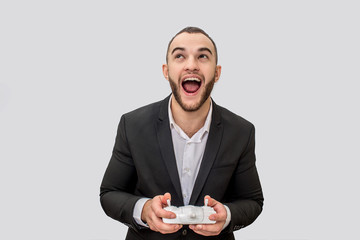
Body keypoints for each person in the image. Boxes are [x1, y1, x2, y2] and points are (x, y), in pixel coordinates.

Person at [100, 26, 264, 240]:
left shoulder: (241, 131)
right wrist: (144, 210)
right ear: (166, 71)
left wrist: (228, 216)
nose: (191, 65)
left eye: (203, 56)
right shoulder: (131, 125)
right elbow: (110, 193)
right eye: (180, 56)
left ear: (217, 73)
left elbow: (252, 201)